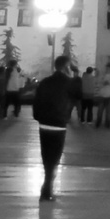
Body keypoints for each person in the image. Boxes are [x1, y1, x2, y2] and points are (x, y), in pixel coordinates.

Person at [32, 56, 77, 202]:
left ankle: (46, 187)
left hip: (44, 124)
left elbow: (36, 101)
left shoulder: (45, 82)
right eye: (70, 66)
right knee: (54, 158)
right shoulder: (69, 83)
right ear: (65, 67)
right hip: (58, 124)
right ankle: (47, 189)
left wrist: (39, 117)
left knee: (46, 157)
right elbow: (78, 96)